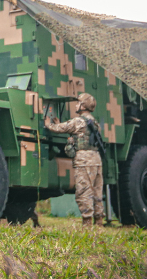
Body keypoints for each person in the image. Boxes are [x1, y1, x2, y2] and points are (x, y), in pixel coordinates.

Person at [44, 92, 106, 225]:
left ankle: (87, 223)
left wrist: (49, 124)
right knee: (97, 192)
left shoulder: (78, 121)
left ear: (83, 106)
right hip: (96, 160)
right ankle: (99, 221)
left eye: (78, 103)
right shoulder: (94, 122)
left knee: (84, 191)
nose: (76, 105)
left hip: (84, 161)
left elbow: (59, 128)